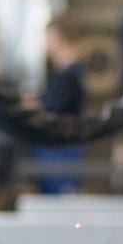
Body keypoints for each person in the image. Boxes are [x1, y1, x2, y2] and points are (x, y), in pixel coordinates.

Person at [33, 11, 89, 193]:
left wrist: (32, 105)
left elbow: (53, 109)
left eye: (49, 37)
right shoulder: (65, 74)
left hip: (61, 150)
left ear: (59, 37)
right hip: (57, 148)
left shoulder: (69, 77)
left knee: (61, 197)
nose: (46, 44)